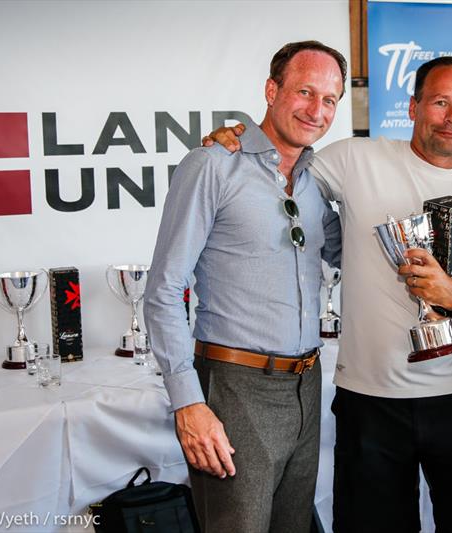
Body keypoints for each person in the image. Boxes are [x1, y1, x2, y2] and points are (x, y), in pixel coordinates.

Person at [207, 56, 452, 532]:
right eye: (440, 102)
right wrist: (239, 138)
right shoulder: (357, 159)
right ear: (413, 107)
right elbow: (282, 164)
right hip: (368, 404)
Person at [144, 40, 345, 533]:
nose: (316, 110)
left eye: (330, 100)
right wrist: (188, 403)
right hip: (235, 389)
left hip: (307, 384)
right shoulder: (212, 164)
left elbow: (351, 256)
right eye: (304, 92)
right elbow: (164, 291)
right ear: (272, 90)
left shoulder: (318, 180)